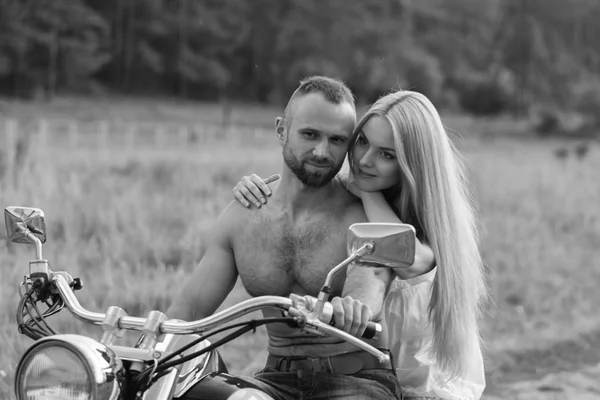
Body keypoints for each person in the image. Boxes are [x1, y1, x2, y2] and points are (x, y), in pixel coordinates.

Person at [233, 89, 488, 399]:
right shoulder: (350, 201)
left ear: (413, 163)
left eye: (387, 154)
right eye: (363, 142)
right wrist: (255, 189)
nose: (365, 160)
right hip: (369, 377)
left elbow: (408, 260)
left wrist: (367, 193)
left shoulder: (426, 225)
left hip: (430, 387)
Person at [167, 76, 402, 399]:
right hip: (276, 379)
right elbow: (188, 312)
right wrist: (139, 355)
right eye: (309, 135)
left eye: (337, 140)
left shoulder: (363, 216)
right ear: (281, 130)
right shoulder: (242, 216)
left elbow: (370, 283)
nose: (322, 151)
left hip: (357, 381)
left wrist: (353, 309)